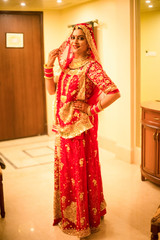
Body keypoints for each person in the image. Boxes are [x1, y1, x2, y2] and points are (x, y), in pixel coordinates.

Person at [44, 23, 120, 238]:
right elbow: (52, 91)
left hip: (80, 130)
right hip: (63, 127)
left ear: (89, 44)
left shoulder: (91, 67)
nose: (75, 41)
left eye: (81, 38)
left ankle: (83, 221)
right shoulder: (67, 66)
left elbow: (113, 92)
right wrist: (49, 65)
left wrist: (91, 108)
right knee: (66, 172)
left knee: (80, 174)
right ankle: (70, 215)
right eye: (73, 37)